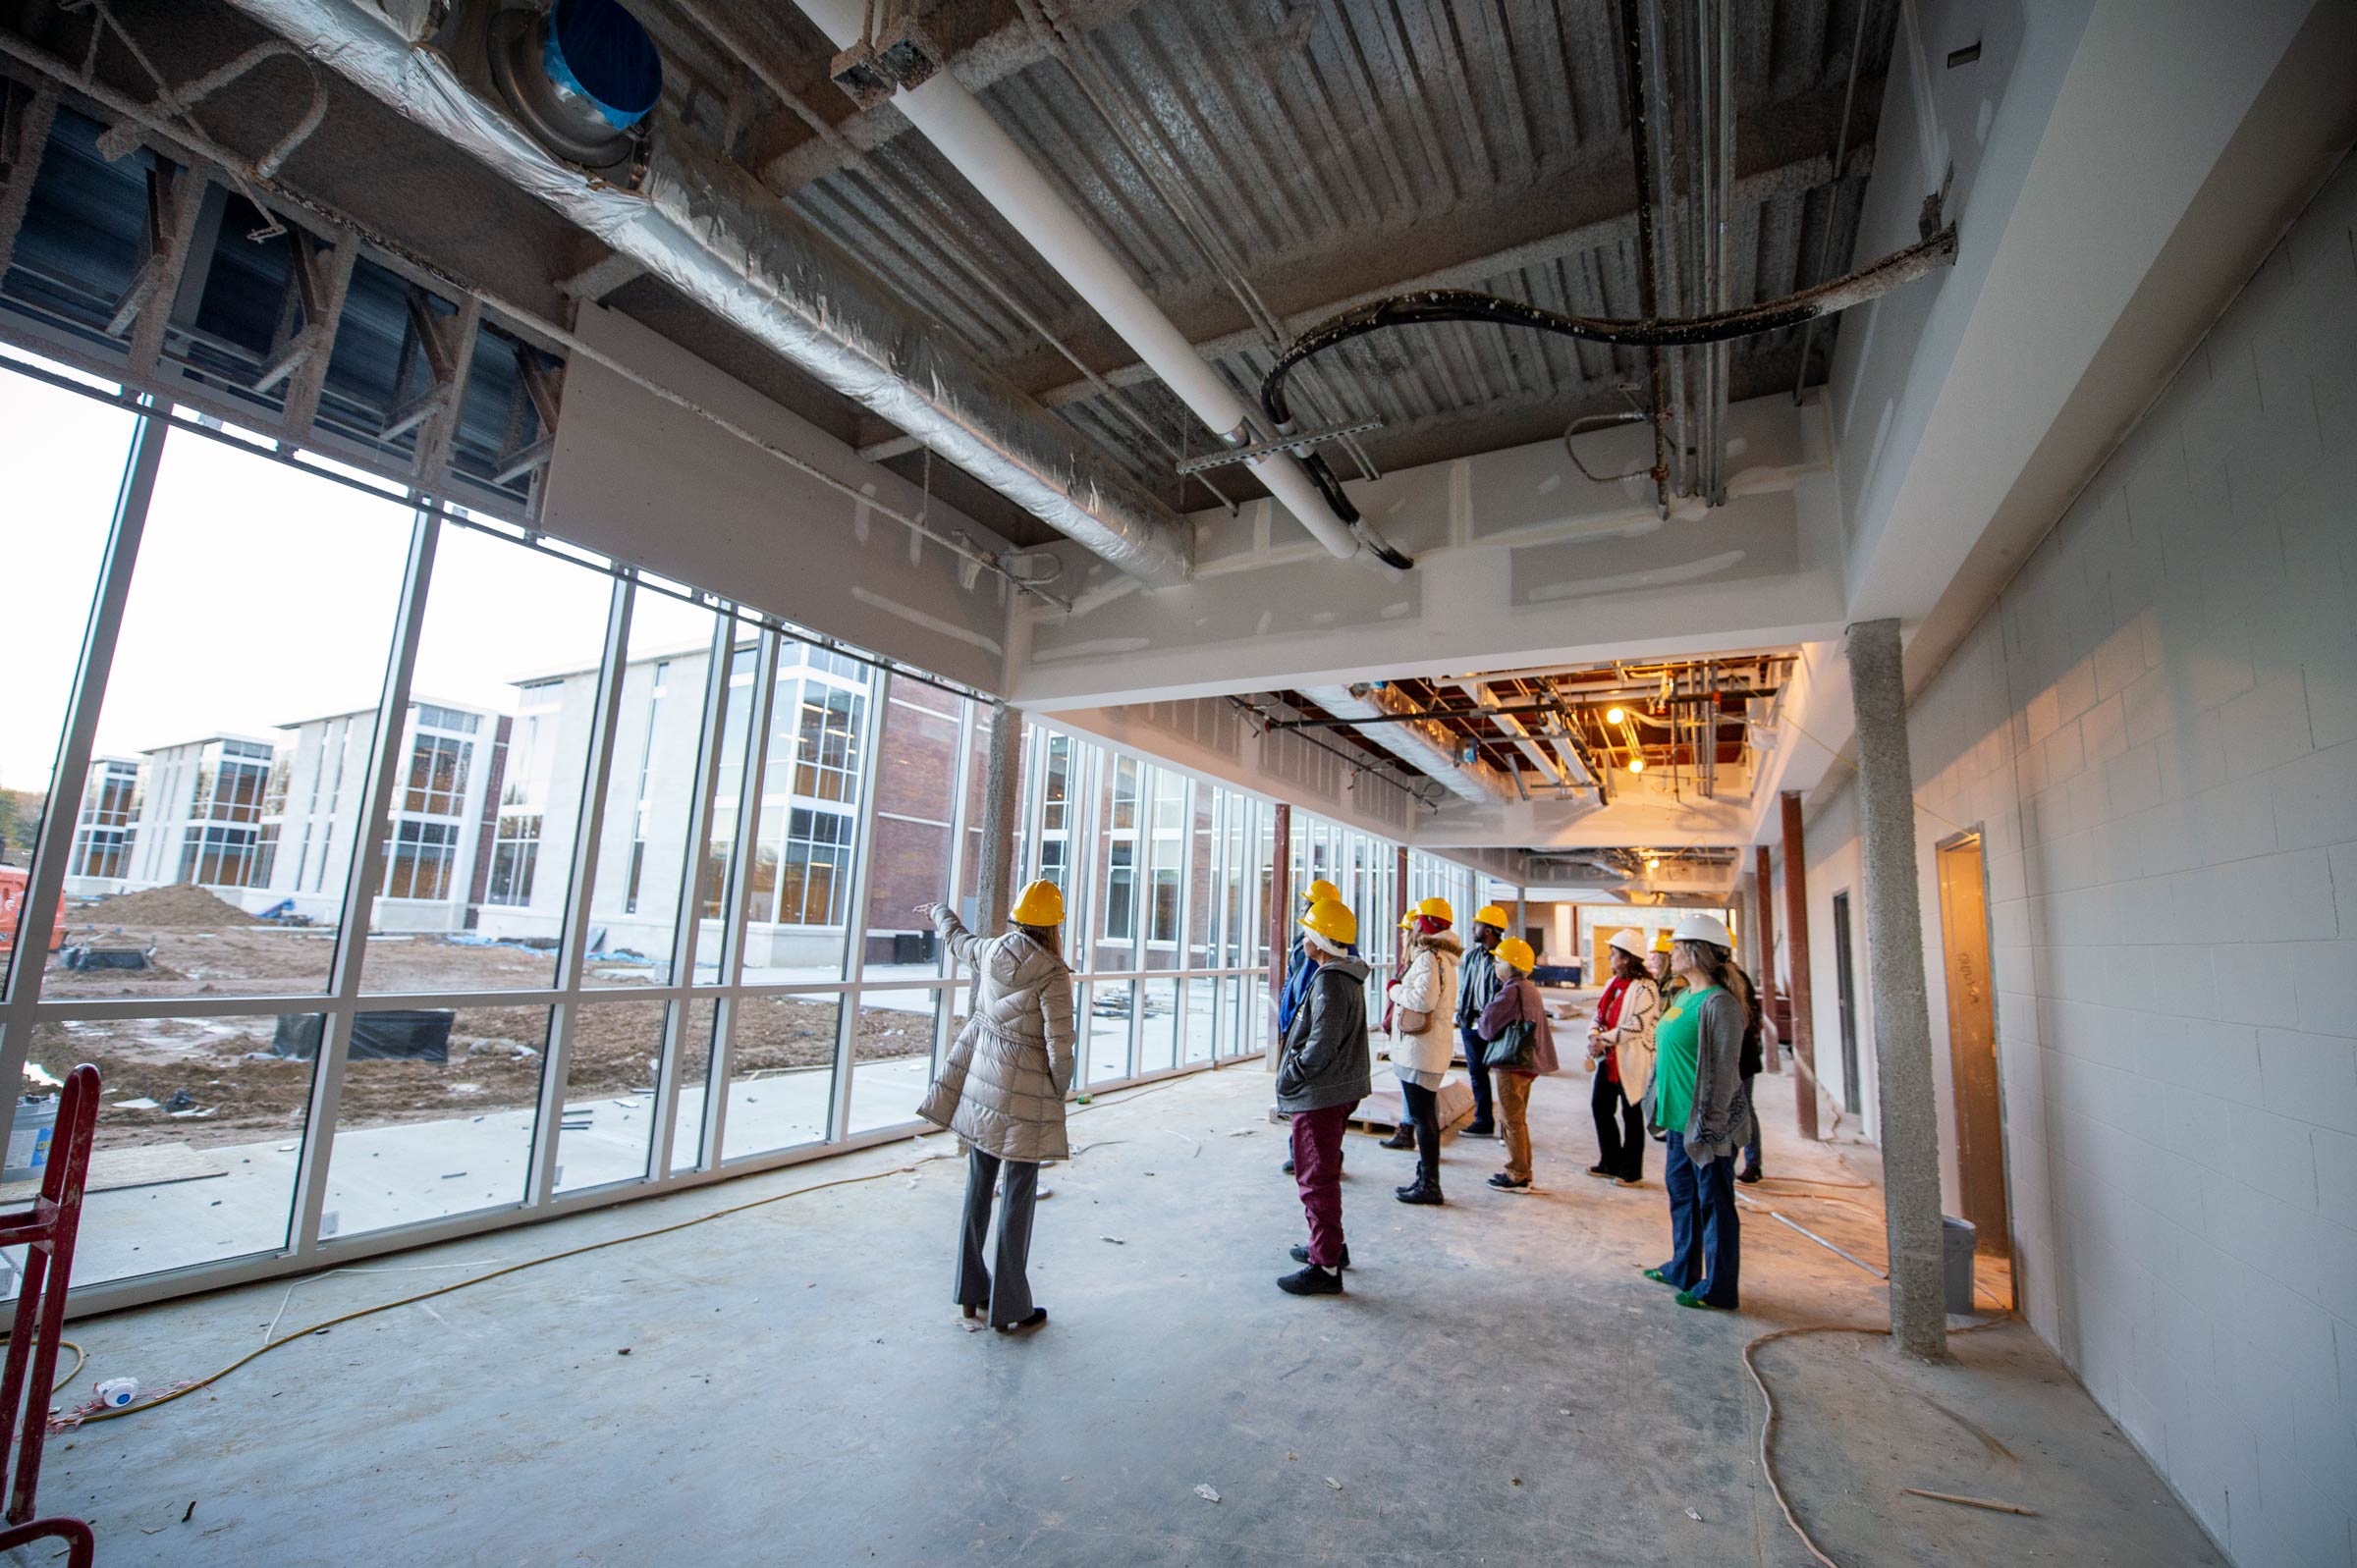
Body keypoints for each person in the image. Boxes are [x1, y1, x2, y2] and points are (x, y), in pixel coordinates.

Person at [916, 882, 1075, 1334]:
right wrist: (1058, 1091)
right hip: (1026, 1099)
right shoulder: (1052, 972)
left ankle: (971, 1293)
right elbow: (1059, 1044)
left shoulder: (990, 951)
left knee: (978, 1188)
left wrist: (940, 911)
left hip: (981, 1088)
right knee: (1019, 1198)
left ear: (1017, 917)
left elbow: (956, 939)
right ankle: (1010, 1306)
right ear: (1053, 926)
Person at [1642, 913, 1755, 1311]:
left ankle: (1720, 1288)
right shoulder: (1684, 995)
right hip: (1678, 1122)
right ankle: (1683, 1268)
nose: (1670, 952)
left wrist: (1710, 1130)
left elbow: (1724, 1074)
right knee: (1683, 1198)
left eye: (1676, 945)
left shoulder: (1719, 1004)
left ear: (1695, 951)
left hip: (1707, 1130)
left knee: (1715, 1205)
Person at [1276, 896, 1371, 1296]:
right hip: (1336, 1090)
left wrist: (1294, 1072)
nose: (1303, 938)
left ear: (1320, 939)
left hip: (1320, 1094)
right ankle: (1330, 1247)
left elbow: (1322, 1042)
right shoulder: (1342, 975)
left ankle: (1326, 1267)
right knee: (1323, 1175)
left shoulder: (1331, 979)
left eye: (1308, 932)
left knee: (1316, 1181)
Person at [1377, 896, 1461, 1205]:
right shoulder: (1445, 959)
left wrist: (1394, 989)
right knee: (1425, 1116)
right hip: (1430, 1048)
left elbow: (1423, 1001)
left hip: (1420, 1050)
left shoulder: (1428, 957)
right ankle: (1425, 1178)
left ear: (1424, 923)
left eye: (1416, 920)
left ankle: (1430, 1184)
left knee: (1423, 1117)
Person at [1476, 937, 1559, 1190]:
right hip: (1527, 1063)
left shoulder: (1511, 990)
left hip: (1511, 1064)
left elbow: (1487, 1026)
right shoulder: (1530, 988)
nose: (1495, 966)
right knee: (1518, 1119)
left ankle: (1517, 1174)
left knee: (1511, 1120)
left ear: (1511, 965)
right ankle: (1523, 1169)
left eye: (1498, 961)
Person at [1278, 879, 1346, 1178]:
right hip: (1295, 1021)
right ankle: (1300, 1151)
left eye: (1308, 903)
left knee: (1308, 1093)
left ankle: (1312, 1155)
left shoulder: (1335, 951)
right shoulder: (1300, 941)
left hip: (1310, 1026)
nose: (1303, 906)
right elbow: (1292, 980)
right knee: (1300, 1097)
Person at [1585, 928, 1660, 1185]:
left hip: (1632, 1060)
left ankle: (1631, 1170)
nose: (1610, 958)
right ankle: (1610, 1161)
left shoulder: (1646, 989)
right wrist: (1594, 1034)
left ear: (1627, 958)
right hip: (1609, 1060)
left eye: (1614, 954)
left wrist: (1603, 1039)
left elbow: (1637, 1025)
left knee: (1631, 1114)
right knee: (1601, 1108)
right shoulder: (1612, 985)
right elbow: (1599, 1013)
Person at [1453, 902, 1511, 1138]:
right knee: (1477, 1075)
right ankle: (1483, 1120)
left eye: (1477, 925)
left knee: (1504, 1079)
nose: (1473, 928)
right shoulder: (1472, 956)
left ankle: (1508, 1129)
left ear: (1488, 929)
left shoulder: (1505, 957)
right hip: (1471, 1023)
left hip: (1495, 1027)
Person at [1735, 965, 1768, 1184]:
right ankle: (1751, 1162)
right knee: (1743, 1109)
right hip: (1741, 1054)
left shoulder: (1732, 979)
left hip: (1742, 1057)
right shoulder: (1737, 978)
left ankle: (1753, 1163)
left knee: (1744, 1109)